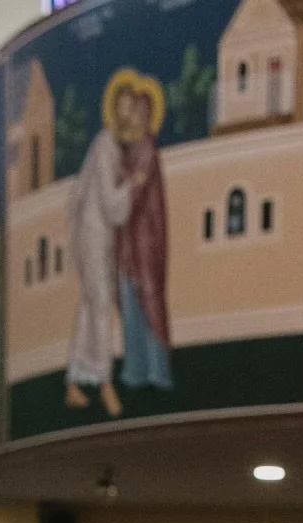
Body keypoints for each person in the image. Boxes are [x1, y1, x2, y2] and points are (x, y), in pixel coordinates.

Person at [65, 82, 138, 416]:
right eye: (123, 106)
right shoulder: (106, 145)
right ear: (114, 109)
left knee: (90, 305)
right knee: (101, 304)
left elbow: (79, 192)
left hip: (92, 234)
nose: (127, 113)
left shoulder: (106, 146)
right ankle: (105, 383)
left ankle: (75, 382)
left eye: (131, 107)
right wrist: (132, 186)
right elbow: (110, 203)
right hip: (94, 235)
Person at [116, 82, 174, 393]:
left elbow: (135, 193)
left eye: (141, 112)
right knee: (130, 302)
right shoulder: (130, 149)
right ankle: (135, 370)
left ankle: (158, 370)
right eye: (133, 111)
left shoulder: (148, 149)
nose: (136, 117)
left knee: (149, 301)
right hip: (129, 244)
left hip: (146, 243)